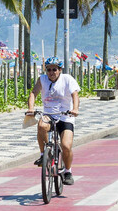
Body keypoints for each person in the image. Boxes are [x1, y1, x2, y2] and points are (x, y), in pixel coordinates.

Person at [26, 57, 80, 186]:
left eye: (54, 69)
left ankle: (68, 171)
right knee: (41, 125)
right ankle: (43, 155)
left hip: (65, 116)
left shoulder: (67, 79)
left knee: (66, 146)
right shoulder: (42, 80)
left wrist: (75, 109)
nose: (51, 72)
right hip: (49, 114)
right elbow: (34, 92)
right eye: (49, 69)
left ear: (60, 70)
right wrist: (31, 108)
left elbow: (75, 95)